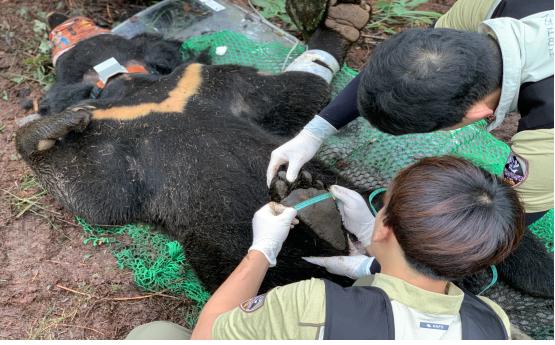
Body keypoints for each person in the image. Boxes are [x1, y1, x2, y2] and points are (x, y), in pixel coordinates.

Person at [127, 156, 525, 339]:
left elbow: (209, 335)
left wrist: (262, 249)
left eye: (381, 207)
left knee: (157, 334)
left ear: (384, 228)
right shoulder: (494, 324)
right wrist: (370, 268)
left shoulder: (312, 304)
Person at [267, 0, 553, 220]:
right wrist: (314, 132)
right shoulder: (491, 5)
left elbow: (512, 217)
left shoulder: (548, 130)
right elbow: (408, 65)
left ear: (477, 114)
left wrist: (378, 253)